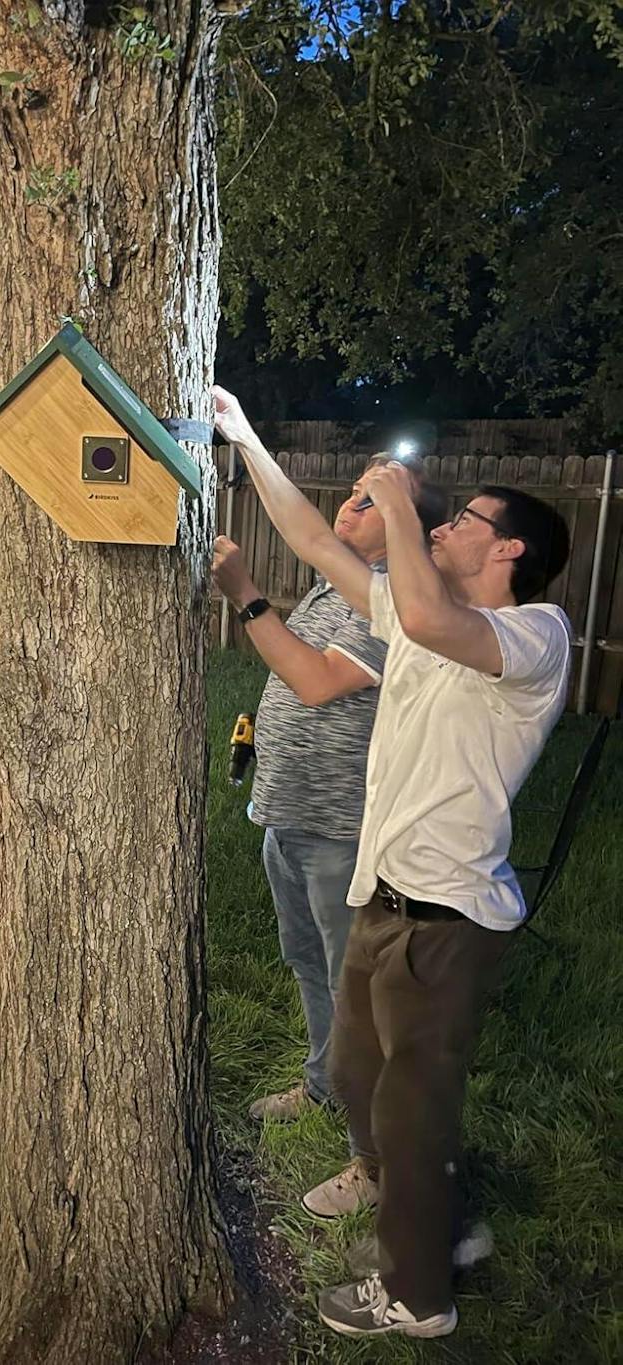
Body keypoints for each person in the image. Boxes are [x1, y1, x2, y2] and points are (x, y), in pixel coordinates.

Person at [212, 384, 572, 1341]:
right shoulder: (414, 620)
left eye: (465, 521)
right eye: (442, 518)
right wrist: (246, 432)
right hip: (384, 897)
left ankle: (419, 1293)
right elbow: (317, 543)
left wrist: (404, 509)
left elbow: (428, 616)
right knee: (361, 1072)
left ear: (510, 550)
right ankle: (428, 1213)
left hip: (448, 917)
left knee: (414, 1104)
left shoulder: (533, 635)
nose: (446, 527)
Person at [211, 463, 440, 1223]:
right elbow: (292, 654)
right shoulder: (334, 587)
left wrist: (246, 594)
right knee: (308, 964)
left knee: (358, 999)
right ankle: (319, 1085)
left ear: (406, 521)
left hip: (342, 831)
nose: (352, 500)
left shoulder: (397, 603)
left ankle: (369, 1157)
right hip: (288, 816)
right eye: (353, 489)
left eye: (373, 501)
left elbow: (312, 681)